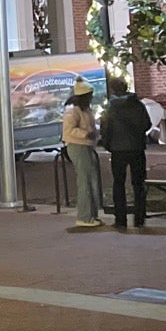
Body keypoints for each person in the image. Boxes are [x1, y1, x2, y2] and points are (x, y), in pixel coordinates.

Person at [99, 75, 152, 230]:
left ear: (113, 89)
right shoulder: (138, 105)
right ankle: (139, 218)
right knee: (139, 184)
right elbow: (146, 124)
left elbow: (105, 130)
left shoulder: (110, 108)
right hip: (137, 148)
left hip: (118, 150)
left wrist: (109, 145)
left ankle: (120, 219)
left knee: (118, 184)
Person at [61, 78, 103, 227]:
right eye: (90, 95)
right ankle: (84, 216)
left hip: (86, 145)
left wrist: (94, 133)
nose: (92, 97)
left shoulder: (85, 109)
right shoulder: (72, 111)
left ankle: (91, 215)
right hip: (77, 146)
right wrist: (87, 134)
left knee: (91, 180)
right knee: (85, 181)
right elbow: (68, 131)